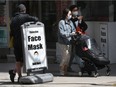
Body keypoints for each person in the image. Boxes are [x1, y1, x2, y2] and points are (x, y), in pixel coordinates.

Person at [9, 4, 38, 83]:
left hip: (16, 42)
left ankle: (17, 75)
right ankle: (16, 74)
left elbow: (11, 32)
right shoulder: (25, 17)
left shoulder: (13, 19)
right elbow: (36, 19)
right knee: (24, 60)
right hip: (24, 42)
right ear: (24, 10)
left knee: (18, 60)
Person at [67, 5, 88, 72]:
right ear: (71, 11)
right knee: (74, 53)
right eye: (74, 10)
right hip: (72, 38)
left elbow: (85, 26)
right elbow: (71, 23)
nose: (76, 11)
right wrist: (77, 19)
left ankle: (69, 67)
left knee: (74, 53)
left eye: (77, 10)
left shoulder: (78, 17)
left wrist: (81, 23)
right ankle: (81, 67)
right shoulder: (69, 18)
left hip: (79, 38)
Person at [58, 8, 76, 75]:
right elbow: (62, 33)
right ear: (66, 15)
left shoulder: (70, 22)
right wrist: (71, 34)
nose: (70, 15)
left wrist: (75, 32)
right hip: (63, 42)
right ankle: (61, 69)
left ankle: (65, 71)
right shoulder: (61, 22)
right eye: (69, 14)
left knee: (68, 57)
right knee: (65, 56)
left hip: (69, 42)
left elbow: (73, 30)